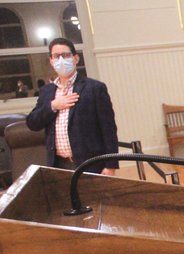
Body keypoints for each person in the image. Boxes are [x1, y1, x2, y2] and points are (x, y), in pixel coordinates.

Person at [26, 37, 118, 175]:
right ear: (51, 61)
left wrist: (111, 165)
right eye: (56, 56)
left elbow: (108, 129)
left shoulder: (94, 88)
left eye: (66, 55)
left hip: (90, 163)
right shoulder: (46, 92)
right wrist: (53, 105)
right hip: (58, 164)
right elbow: (32, 123)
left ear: (76, 58)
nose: (61, 60)